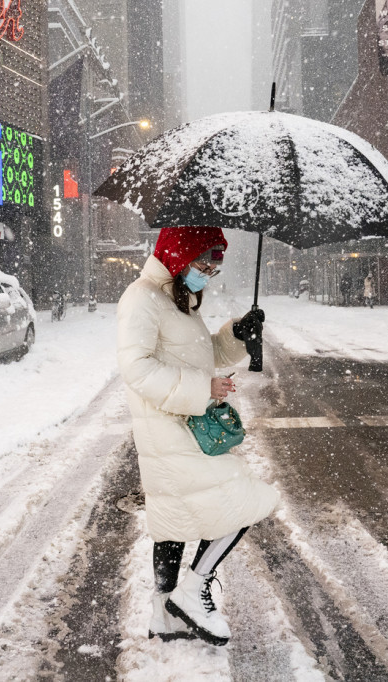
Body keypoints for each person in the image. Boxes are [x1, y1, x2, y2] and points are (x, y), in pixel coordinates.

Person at [116, 226, 280, 647]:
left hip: (184, 429)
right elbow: (136, 369)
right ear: (178, 255)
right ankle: (193, 591)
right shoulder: (142, 298)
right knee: (244, 502)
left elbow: (200, 352)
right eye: (203, 262)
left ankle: (163, 616)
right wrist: (202, 389)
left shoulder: (177, 298)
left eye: (216, 264)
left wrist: (236, 334)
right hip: (170, 429)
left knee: (172, 523)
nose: (208, 272)